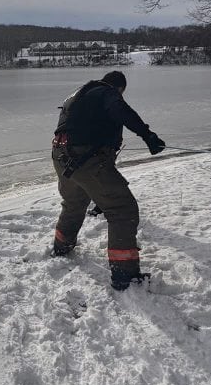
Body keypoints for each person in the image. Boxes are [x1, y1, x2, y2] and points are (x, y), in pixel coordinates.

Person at [51, 70, 165, 289]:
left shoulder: (77, 95)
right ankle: (125, 274)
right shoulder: (107, 93)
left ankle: (61, 246)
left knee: (75, 202)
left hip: (61, 157)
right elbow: (119, 110)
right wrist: (148, 136)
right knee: (123, 209)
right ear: (119, 88)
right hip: (86, 159)